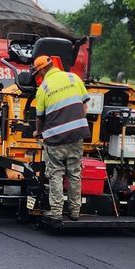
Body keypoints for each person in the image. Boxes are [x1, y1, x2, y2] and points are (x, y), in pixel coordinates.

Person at [33, 55, 90, 220]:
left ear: (42, 69)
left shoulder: (43, 88)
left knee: (56, 174)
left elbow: (40, 117)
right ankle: (75, 212)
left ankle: (57, 212)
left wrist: (39, 132)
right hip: (77, 135)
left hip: (56, 138)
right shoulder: (74, 78)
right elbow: (85, 105)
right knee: (74, 173)